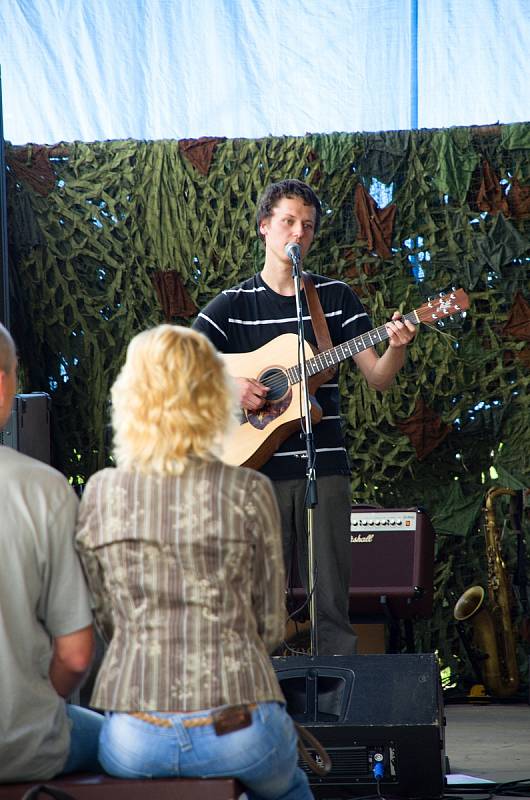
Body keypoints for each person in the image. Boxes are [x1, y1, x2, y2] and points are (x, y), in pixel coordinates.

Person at [75, 324, 313, 800]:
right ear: (214, 398)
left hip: (135, 735)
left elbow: (105, 620)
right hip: (238, 730)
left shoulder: (100, 491)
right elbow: (269, 626)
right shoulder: (249, 491)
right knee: (289, 789)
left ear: (130, 399)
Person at [193, 178, 417, 655]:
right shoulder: (233, 306)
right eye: (289, 222)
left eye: (308, 226)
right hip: (254, 470)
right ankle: (261, 701)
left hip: (325, 467)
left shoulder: (332, 298)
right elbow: (178, 367)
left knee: (332, 599)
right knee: (259, 598)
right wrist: (230, 385)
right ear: (264, 227)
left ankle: (338, 702)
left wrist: (396, 347)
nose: (299, 233)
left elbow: (377, 376)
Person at [0, 322, 103, 783]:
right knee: (126, 743)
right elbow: (77, 656)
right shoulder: (43, 490)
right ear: (3, 386)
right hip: (22, 747)